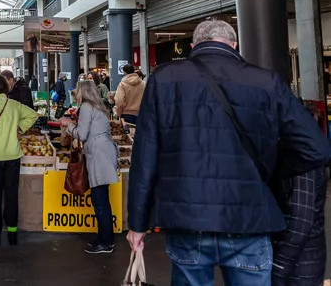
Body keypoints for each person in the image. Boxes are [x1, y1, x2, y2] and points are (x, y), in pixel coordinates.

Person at [127, 20, 331, 285]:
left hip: (187, 221)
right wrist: (267, 172)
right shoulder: (266, 81)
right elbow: (318, 148)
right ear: (234, 45)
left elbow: (144, 158)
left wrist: (137, 224)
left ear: (193, 46)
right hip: (249, 221)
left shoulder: (164, 79)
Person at [0, 75, 38, 246]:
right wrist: (19, 127)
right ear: (5, 87)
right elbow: (33, 115)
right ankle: (12, 234)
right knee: (11, 195)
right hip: (13, 156)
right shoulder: (13, 104)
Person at [60, 80, 119, 254]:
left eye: (77, 90)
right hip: (105, 152)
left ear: (83, 92)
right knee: (102, 199)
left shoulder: (86, 107)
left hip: (99, 154)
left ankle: (105, 242)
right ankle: (105, 238)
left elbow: (82, 134)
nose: (75, 94)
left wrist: (67, 125)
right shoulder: (98, 107)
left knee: (100, 201)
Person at [272, 167, 327, 286]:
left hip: (298, 269)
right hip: (303, 265)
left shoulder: (302, 165)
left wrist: (277, 268)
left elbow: (300, 223)